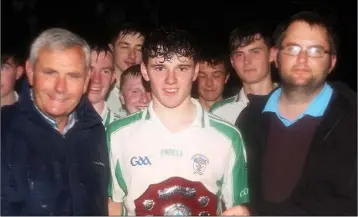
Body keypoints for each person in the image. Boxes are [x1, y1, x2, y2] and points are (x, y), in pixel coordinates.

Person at [107, 26, 249, 216]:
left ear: (195, 70)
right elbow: (113, 204)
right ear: (145, 71)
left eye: (182, 68)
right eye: (160, 68)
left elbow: (236, 210)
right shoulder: (117, 135)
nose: (171, 80)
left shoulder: (228, 137)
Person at [236, 11, 357, 215]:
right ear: (275, 56)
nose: (302, 59)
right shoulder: (248, 120)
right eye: (292, 49)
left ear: (332, 62)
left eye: (315, 51)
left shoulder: (352, 120)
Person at [1, 28, 109, 215]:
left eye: (73, 76)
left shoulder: (94, 131)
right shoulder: (4, 130)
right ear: (30, 71)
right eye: (50, 73)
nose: (60, 88)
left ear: (86, 82)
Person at [210, 21, 277, 124]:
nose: (247, 61)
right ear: (232, 61)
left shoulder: (295, 103)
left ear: (272, 54)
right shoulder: (219, 114)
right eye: (239, 54)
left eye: (255, 52)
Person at [106, 23, 147, 117]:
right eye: (125, 47)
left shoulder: (152, 88)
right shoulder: (100, 88)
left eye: (139, 49)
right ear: (111, 49)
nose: (132, 55)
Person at [88, 42, 121, 128]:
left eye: (105, 71)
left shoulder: (123, 131)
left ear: (113, 76)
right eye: (90, 69)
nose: (96, 79)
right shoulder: (59, 124)